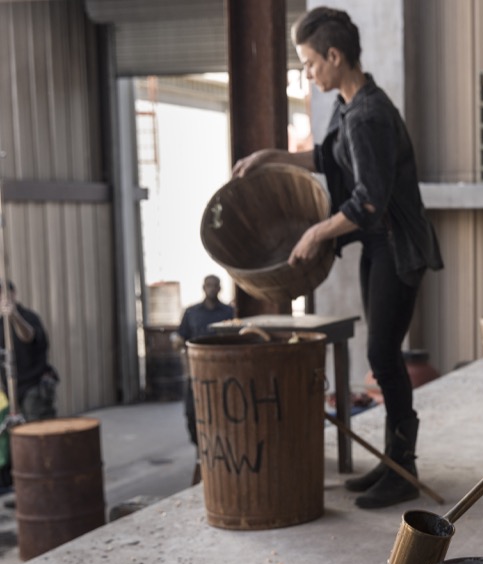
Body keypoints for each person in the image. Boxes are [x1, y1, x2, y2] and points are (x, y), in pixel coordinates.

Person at [232, 7, 443, 509]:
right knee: (382, 355)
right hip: (378, 243)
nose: (307, 73)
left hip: (397, 244)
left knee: (381, 357)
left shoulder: (368, 114)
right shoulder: (349, 104)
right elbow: (328, 158)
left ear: (334, 55)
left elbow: (368, 200)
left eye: (308, 63)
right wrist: (272, 157)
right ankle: (395, 462)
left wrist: (317, 233)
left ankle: (403, 469)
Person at [0, 281, 59, 495]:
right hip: (13, 393)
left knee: (39, 440)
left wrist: (13, 315)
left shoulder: (27, 317)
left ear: (13, 293)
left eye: (4, 294)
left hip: (35, 390)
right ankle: (28, 490)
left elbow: (29, 335)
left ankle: (48, 487)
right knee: (19, 444)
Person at [172, 275, 235, 453]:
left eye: (215, 285)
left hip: (222, 372)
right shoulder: (192, 313)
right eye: (209, 285)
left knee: (220, 412)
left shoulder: (228, 313)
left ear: (220, 288)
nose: (211, 288)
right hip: (196, 372)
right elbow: (180, 336)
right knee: (192, 413)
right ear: (203, 287)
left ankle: (220, 449)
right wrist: (177, 343)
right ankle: (200, 448)